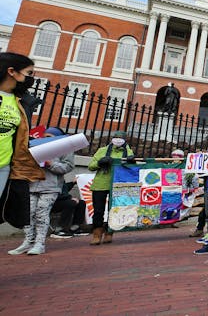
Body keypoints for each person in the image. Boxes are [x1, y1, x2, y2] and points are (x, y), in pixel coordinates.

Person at [8, 127, 74, 255]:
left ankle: (40, 244)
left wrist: (51, 164)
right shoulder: (36, 147)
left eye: (49, 136)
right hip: (32, 185)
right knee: (28, 214)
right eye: (44, 136)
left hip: (50, 187)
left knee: (41, 214)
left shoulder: (64, 148)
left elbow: (68, 167)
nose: (45, 138)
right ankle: (27, 242)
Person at [0, 53, 45, 229]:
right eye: (29, 72)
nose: (31, 78)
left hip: (4, 166)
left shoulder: (22, 102)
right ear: (12, 71)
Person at [87, 129, 136, 245]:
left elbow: (132, 168)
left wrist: (131, 162)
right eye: (116, 137)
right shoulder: (102, 150)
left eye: (121, 138)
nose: (118, 140)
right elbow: (91, 166)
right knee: (98, 210)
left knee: (114, 210)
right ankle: (97, 233)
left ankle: (109, 232)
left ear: (125, 140)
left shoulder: (128, 152)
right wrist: (100, 163)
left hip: (117, 185)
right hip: (101, 184)